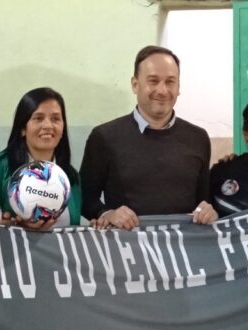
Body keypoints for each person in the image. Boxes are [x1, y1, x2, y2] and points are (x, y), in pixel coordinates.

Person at [80, 45, 218, 230]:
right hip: (127, 245)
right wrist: (108, 214)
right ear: (135, 84)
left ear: (179, 87)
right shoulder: (104, 137)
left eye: (170, 82)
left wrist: (209, 211)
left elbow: (203, 201)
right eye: (153, 81)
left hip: (183, 245)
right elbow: (85, 199)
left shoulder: (198, 138)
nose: (162, 90)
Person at [0, 87, 83, 228]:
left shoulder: (71, 177)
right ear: (22, 128)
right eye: (38, 118)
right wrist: (13, 226)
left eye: (55, 119)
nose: (48, 125)